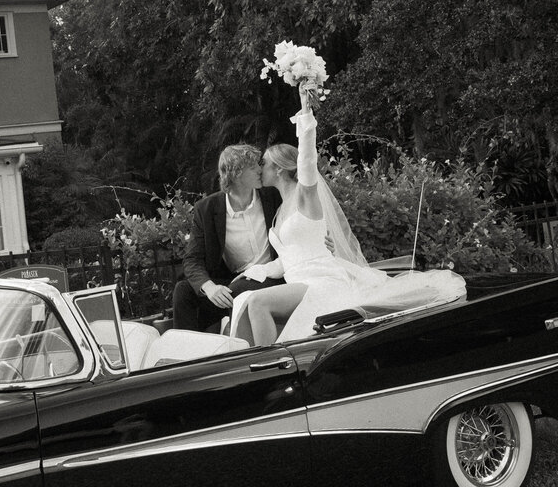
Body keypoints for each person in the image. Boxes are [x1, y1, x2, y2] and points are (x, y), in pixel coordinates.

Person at [233, 90, 464, 343]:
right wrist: (251, 272)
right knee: (244, 301)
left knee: (256, 302)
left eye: (263, 163)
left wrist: (305, 114)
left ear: (278, 168)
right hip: (299, 281)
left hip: (320, 281)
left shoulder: (303, 195)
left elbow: (308, 162)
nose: (259, 168)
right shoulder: (280, 210)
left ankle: (268, 367)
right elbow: (286, 260)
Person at [172, 144, 282, 332]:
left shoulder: (273, 195)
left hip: (272, 276)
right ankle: (187, 353)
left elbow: (300, 215)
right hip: (235, 281)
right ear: (237, 172)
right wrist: (210, 287)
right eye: (254, 166)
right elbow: (192, 259)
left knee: (238, 289)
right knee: (183, 291)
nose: (260, 169)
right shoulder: (206, 208)